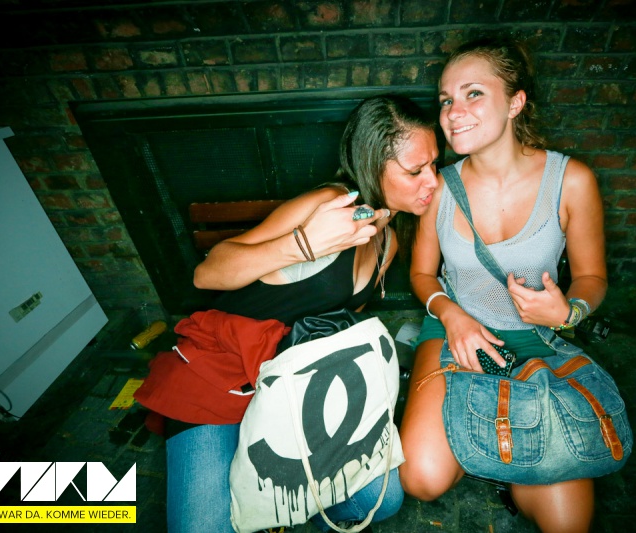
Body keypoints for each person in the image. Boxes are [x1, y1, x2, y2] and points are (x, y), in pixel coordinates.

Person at [160, 94, 439, 533]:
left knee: (381, 499)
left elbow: (335, 318)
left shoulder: (388, 242)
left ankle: (284, 502)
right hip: (223, 370)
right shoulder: (325, 205)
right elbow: (207, 274)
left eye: (435, 165)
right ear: (372, 165)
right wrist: (302, 245)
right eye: (416, 170)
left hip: (296, 381)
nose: (433, 181)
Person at [399, 36, 607, 533]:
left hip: (533, 342)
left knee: (568, 524)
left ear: (516, 102)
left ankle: (497, 453)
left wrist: (569, 313)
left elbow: (592, 277)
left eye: (473, 94)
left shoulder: (570, 180)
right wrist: (452, 316)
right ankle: (495, 446)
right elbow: (421, 274)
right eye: (446, 100)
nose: (453, 113)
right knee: (422, 479)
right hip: (454, 333)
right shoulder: (439, 187)